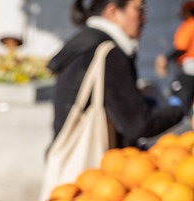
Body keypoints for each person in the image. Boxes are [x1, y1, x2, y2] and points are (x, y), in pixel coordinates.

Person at [49, 0, 184, 149]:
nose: (144, 18)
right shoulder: (108, 53)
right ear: (112, 11)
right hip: (98, 165)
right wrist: (179, 108)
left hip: (73, 156)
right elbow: (138, 124)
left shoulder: (84, 42)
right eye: (139, 10)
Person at [156, 1, 194, 113]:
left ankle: (183, 119)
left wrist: (166, 59)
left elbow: (181, 48)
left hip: (189, 66)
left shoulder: (190, 24)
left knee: (183, 96)